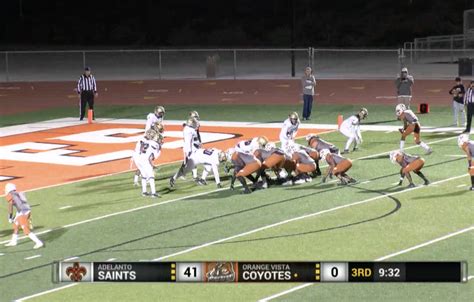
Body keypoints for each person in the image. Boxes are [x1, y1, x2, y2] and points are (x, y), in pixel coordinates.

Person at [4, 183, 44, 249]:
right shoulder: (19, 193)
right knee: (16, 225)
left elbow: (10, 206)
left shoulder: (10, 195)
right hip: (24, 210)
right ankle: (14, 241)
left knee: (25, 229)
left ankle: (38, 242)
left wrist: (10, 216)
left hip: (23, 212)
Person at [169, 117, 201, 188]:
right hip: (190, 150)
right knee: (186, 167)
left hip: (193, 149)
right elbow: (188, 142)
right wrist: (189, 152)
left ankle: (195, 177)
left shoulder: (189, 129)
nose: (195, 124)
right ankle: (173, 178)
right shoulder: (189, 130)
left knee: (194, 163)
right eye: (194, 123)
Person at [133, 129, 163, 198]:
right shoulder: (155, 144)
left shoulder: (146, 141)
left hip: (139, 158)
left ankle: (144, 192)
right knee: (151, 176)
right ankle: (153, 193)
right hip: (145, 160)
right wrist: (159, 150)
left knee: (144, 175)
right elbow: (152, 157)